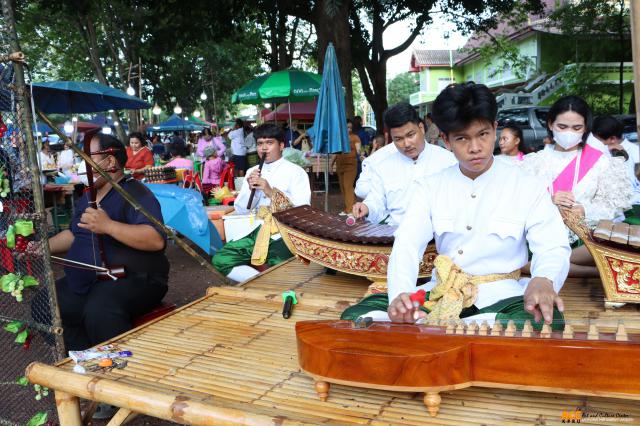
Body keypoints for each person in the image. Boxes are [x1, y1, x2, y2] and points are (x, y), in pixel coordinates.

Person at [342, 82, 571, 329]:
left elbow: (552, 245)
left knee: (542, 320)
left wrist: (544, 279)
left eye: (482, 135)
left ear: (495, 129)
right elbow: (407, 245)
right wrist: (401, 296)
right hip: (440, 292)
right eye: (462, 138)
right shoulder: (430, 187)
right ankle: (460, 328)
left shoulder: (527, 185)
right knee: (357, 316)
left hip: (502, 297)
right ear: (446, 140)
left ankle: (445, 328)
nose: (475, 148)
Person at [44, 133, 169, 351]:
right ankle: (83, 358)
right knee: (46, 303)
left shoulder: (136, 192)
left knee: (99, 309)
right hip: (96, 277)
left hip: (139, 278)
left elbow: (156, 239)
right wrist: (42, 248)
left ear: (110, 161)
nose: (82, 165)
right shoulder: (88, 197)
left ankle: (121, 370)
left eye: (87, 158)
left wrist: (109, 226)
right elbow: (75, 234)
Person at [519, 96, 632, 277]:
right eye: (562, 127)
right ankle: (598, 273)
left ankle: (558, 264)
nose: (569, 132)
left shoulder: (602, 163)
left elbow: (612, 206)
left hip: (584, 238)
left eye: (576, 128)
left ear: (586, 127)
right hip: (541, 237)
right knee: (521, 262)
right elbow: (519, 205)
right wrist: (548, 202)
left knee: (610, 244)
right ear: (550, 124)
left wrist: (585, 209)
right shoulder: (533, 162)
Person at [212, 124, 310, 282]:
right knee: (221, 260)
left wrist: (270, 191)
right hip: (256, 228)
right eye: (260, 144)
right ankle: (263, 282)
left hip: (284, 232)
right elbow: (242, 210)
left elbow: (303, 210)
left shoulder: (296, 172)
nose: (264, 148)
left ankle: (275, 285)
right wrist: (253, 190)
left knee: (281, 267)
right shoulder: (252, 171)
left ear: (282, 145)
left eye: (269, 143)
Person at [351, 102, 457, 227]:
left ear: (421, 128)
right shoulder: (383, 166)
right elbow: (376, 200)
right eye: (398, 139)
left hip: (439, 237)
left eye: (410, 135)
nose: (406, 144)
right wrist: (366, 207)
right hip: (397, 234)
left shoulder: (449, 162)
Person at [331, 119, 361, 214]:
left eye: (350, 128)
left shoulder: (355, 137)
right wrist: (331, 165)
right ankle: (351, 206)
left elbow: (359, 150)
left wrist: (360, 152)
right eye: (347, 127)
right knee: (343, 188)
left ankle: (350, 210)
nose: (349, 129)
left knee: (348, 186)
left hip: (351, 165)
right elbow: (335, 153)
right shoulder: (338, 138)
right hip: (340, 165)